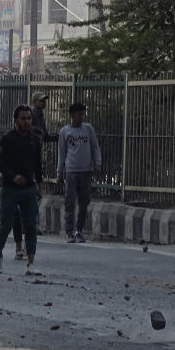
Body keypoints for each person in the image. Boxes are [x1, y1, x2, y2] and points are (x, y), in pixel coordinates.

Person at [0, 105, 42, 275]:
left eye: (29, 118)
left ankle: (31, 262)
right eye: (23, 118)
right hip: (10, 188)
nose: (27, 121)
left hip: (29, 189)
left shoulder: (35, 139)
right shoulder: (8, 139)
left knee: (30, 226)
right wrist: (13, 176)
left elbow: (37, 164)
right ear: (16, 120)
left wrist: (39, 184)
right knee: (6, 224)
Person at [57, 102, 102, 244]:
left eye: (83, 114)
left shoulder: (88, 129)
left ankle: (79, 230)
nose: (81, 117)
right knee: (70, 201)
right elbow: (61, 153)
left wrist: (97, 162)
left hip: (86, 170)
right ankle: (69, 231)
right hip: (71, 170)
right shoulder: (65, 132)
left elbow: (95, 146)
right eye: (79, 114)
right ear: (72, 115)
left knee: (84, 202)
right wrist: (59, 172)